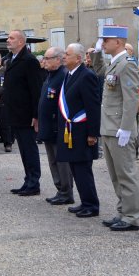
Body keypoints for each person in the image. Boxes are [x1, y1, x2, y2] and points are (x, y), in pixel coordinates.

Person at [93, 25, 139, 231]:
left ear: (118, 42)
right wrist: (96, 53)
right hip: (109, 128)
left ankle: (131, 216)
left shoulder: (127, 65)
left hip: (120, 129)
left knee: (125, 175)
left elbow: (131, 100)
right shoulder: (115, 64)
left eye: (106, 40)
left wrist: (126, 128)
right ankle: (122, 211)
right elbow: (99, 71)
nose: (103, 43)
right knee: (115, 175)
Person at [55, 44, 101, 217]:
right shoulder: (70, 74)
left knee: (83, 169)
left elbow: (93, 106)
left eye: (67, 54)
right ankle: (84, 202)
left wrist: (92, 133)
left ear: (78, 58)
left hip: (82, 131)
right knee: (75, 168)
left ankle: (91, 205)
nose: (64, 57)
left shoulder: (87, 75)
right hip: (71, 131)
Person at [4, 30, 44, 197]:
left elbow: (36, 90)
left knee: (30, 149)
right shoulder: (12, 59)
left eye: (11, 38)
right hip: (16, 113)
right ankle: (28, 180)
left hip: (27, 114)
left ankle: (34, 182)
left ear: (21, 42)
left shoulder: (29, 61)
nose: (8, 40)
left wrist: (36, 116)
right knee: (23, 149)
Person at [37, 47, 74, 205]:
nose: (44, 61)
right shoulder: (50, 75)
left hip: (57, 127)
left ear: (58, 60)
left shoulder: (63, 76)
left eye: (47, 58)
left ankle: (66, 191)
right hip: (48, 126)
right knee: (52, 160)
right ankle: (60, 189)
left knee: (61, 161)